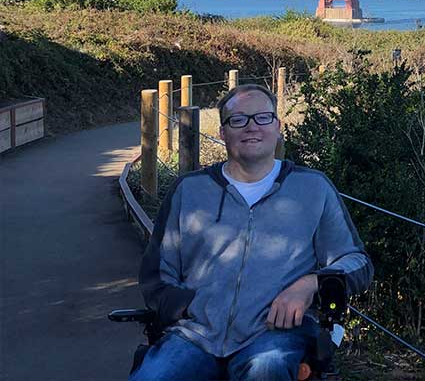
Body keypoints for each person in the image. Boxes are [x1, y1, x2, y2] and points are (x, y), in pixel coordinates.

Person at [130, 83, 373, 381]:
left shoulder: (313, 188)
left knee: (266, 369)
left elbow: (356, 261)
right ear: (222, 132)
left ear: (278, 127)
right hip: (196, 336)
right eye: (238, 119)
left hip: (274, 335)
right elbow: (156, 273)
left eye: (262, 117)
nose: (251, 127)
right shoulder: (189, 190)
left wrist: (311, 283)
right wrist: (187, 308)